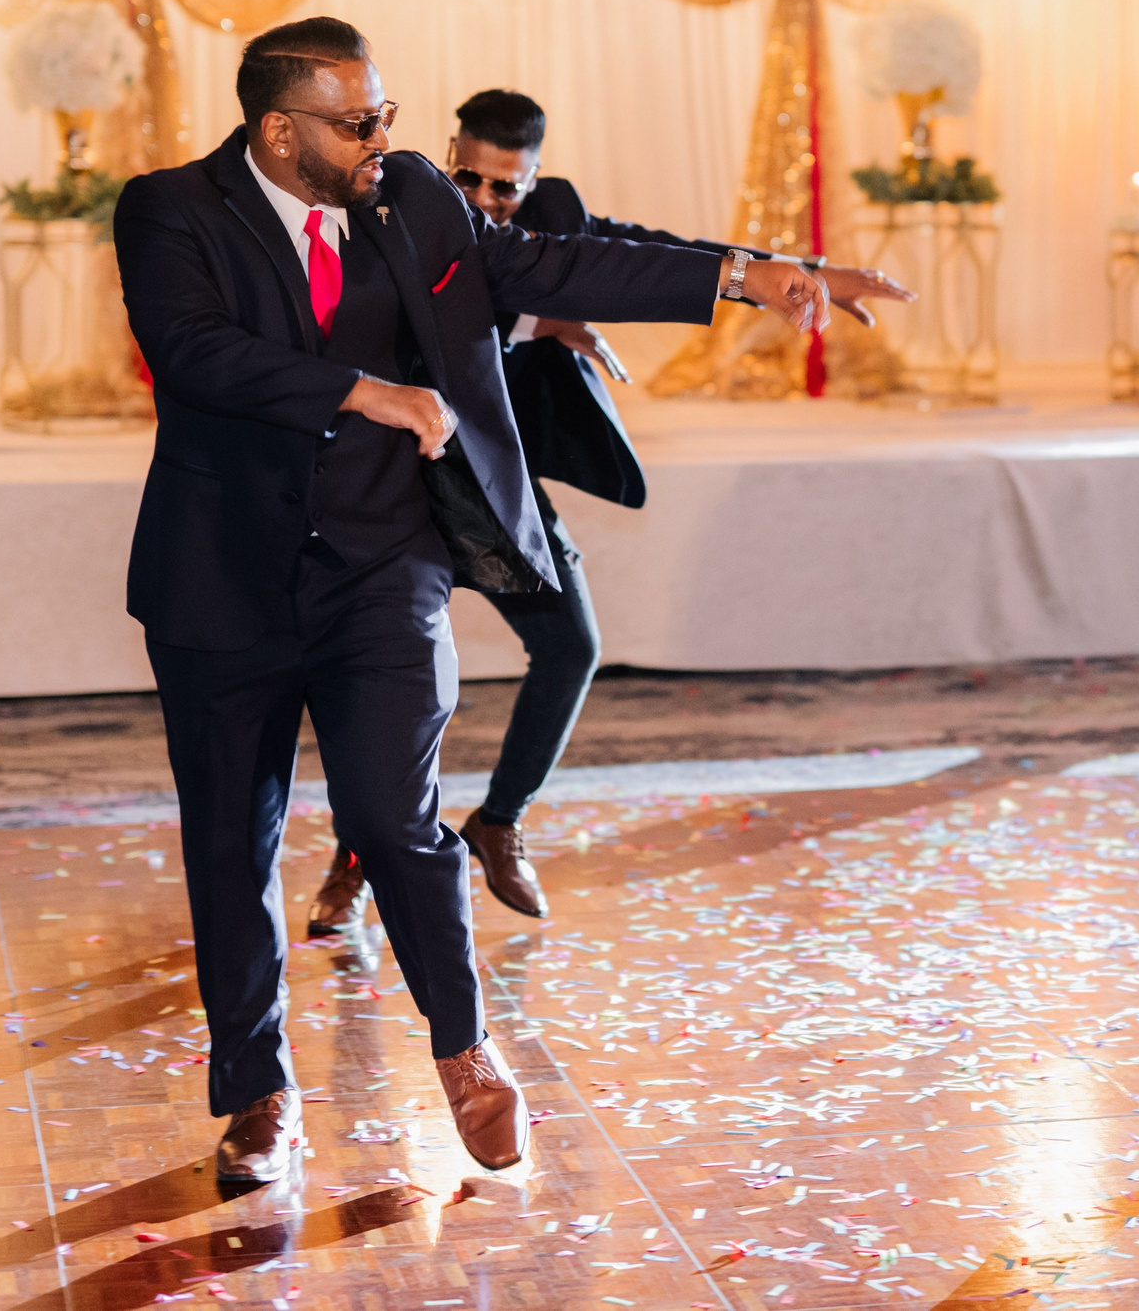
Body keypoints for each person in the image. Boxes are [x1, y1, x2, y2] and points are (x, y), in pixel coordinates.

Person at [114, 19, 828, 1184]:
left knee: (398, 818)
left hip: (378, 568)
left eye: (386, 112)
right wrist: (368, 389)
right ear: (278, 128)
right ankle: (257, 1093)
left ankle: (465, 1049)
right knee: (228, 848)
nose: (383, 138)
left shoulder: (411, 202)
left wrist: (743, 274)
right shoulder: (170, 208)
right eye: (358, 121)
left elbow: (554, 263)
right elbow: (196, 354)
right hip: (220, 580)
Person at [305, 89, 912, 934]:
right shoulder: (402, 201)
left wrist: (788, 271)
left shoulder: (550, 218)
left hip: (485, 477)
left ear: (535, 180)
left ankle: (500, 820)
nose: (485, 199)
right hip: (393, 477)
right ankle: (357, 858)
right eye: (471, 177)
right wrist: (545, 319)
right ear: (450, 153)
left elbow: (640, 255)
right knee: (384, 677)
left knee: (571, 644)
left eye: (505, 189)